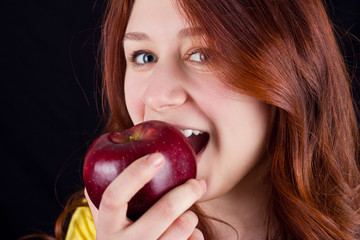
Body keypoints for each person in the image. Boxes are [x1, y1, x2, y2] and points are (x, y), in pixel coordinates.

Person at [29, 0, 360, 239]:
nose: (157, 95)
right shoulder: (95, 232)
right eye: (144, 57)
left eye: (203, 54)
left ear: (289, 71)